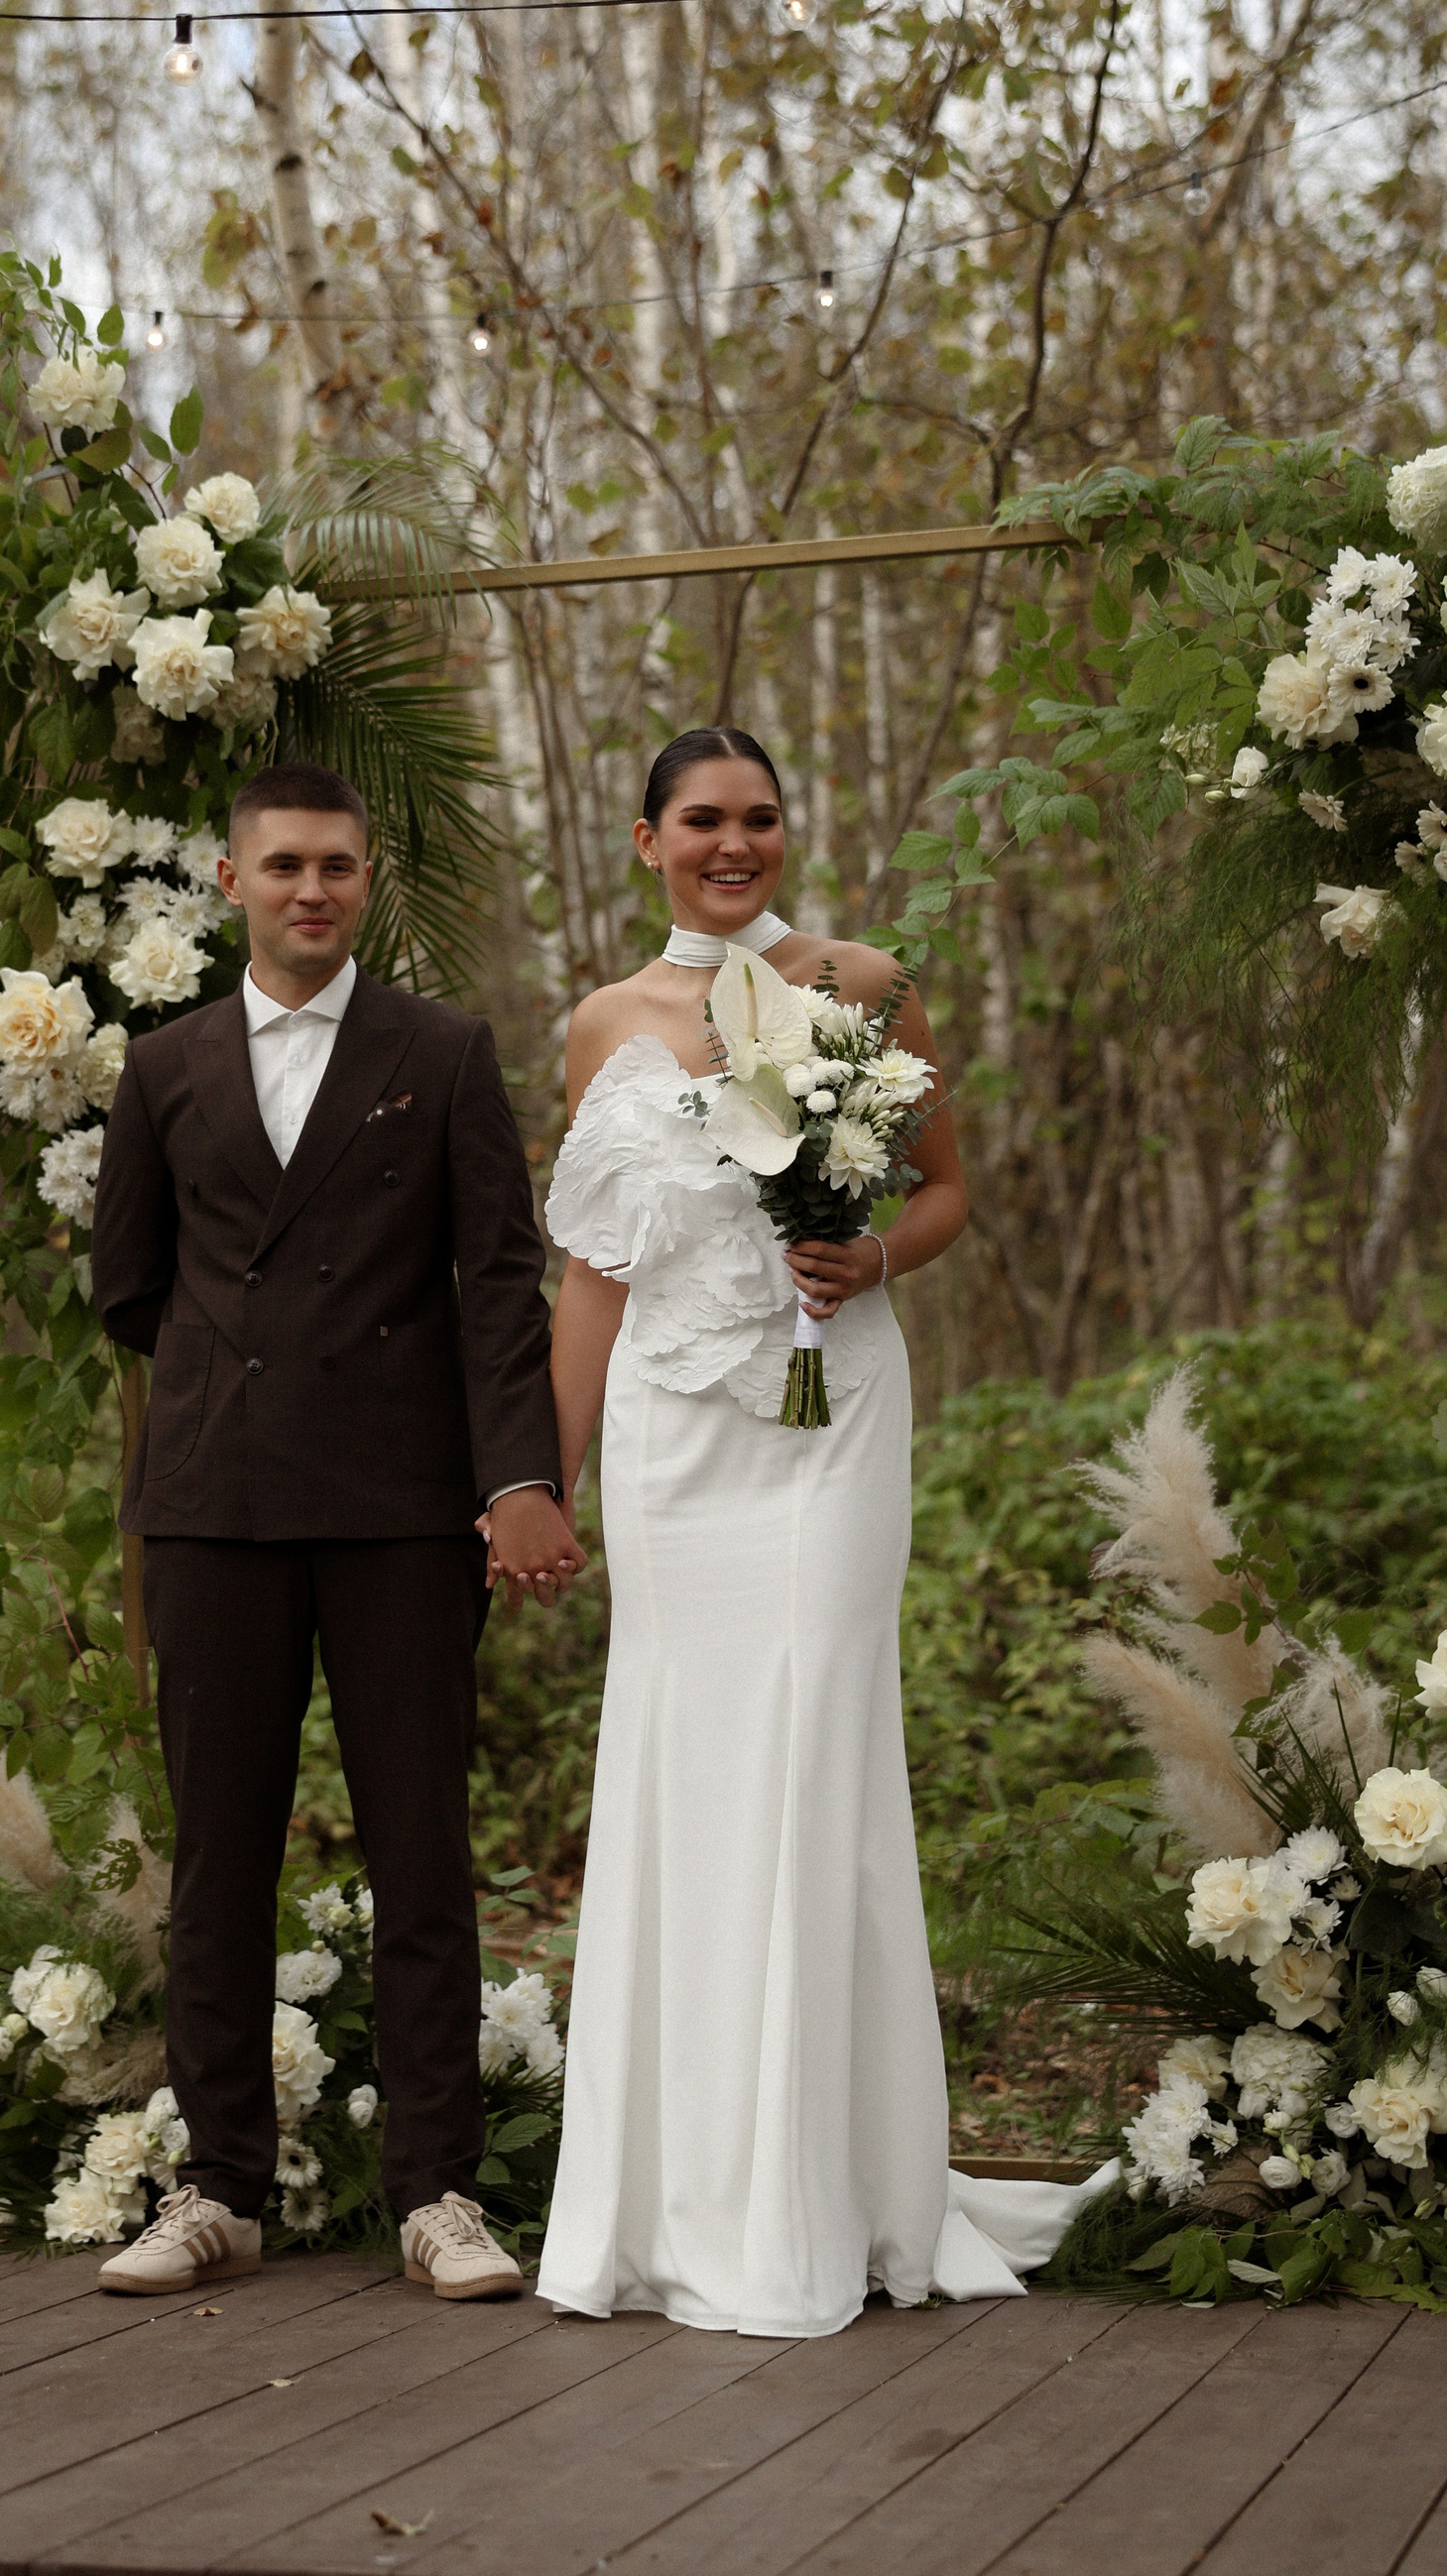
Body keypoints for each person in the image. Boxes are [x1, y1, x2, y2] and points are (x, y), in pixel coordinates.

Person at [520, 726, 1113, 2340]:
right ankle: (672, 2192)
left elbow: (945, 1190)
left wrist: (877, 1258)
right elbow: (595, 1271)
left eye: (761, 819)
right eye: (703, 820)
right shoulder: (600, 1026)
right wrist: (544, 1478)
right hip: (673, 1437)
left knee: (817, 1751)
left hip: (831, 1417)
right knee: (681, 1761)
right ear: (645, 839)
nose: (735, 844)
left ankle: (823, 2185)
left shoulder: (863, 986)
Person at [88, 760, 583, 2302]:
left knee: (420, 1854)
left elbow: (498, 1282)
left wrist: (516, 1477)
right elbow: (130, 1285)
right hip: (216, 1510)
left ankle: (436, 2192)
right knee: (218, 1863)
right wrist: (243, 1384)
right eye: (287, 864)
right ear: (230, 882)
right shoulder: (162, 1067)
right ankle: (219, 2190)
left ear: (368, 882)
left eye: (339, 866)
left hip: (401, 1514)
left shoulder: (443, 1052)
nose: (314, 888)